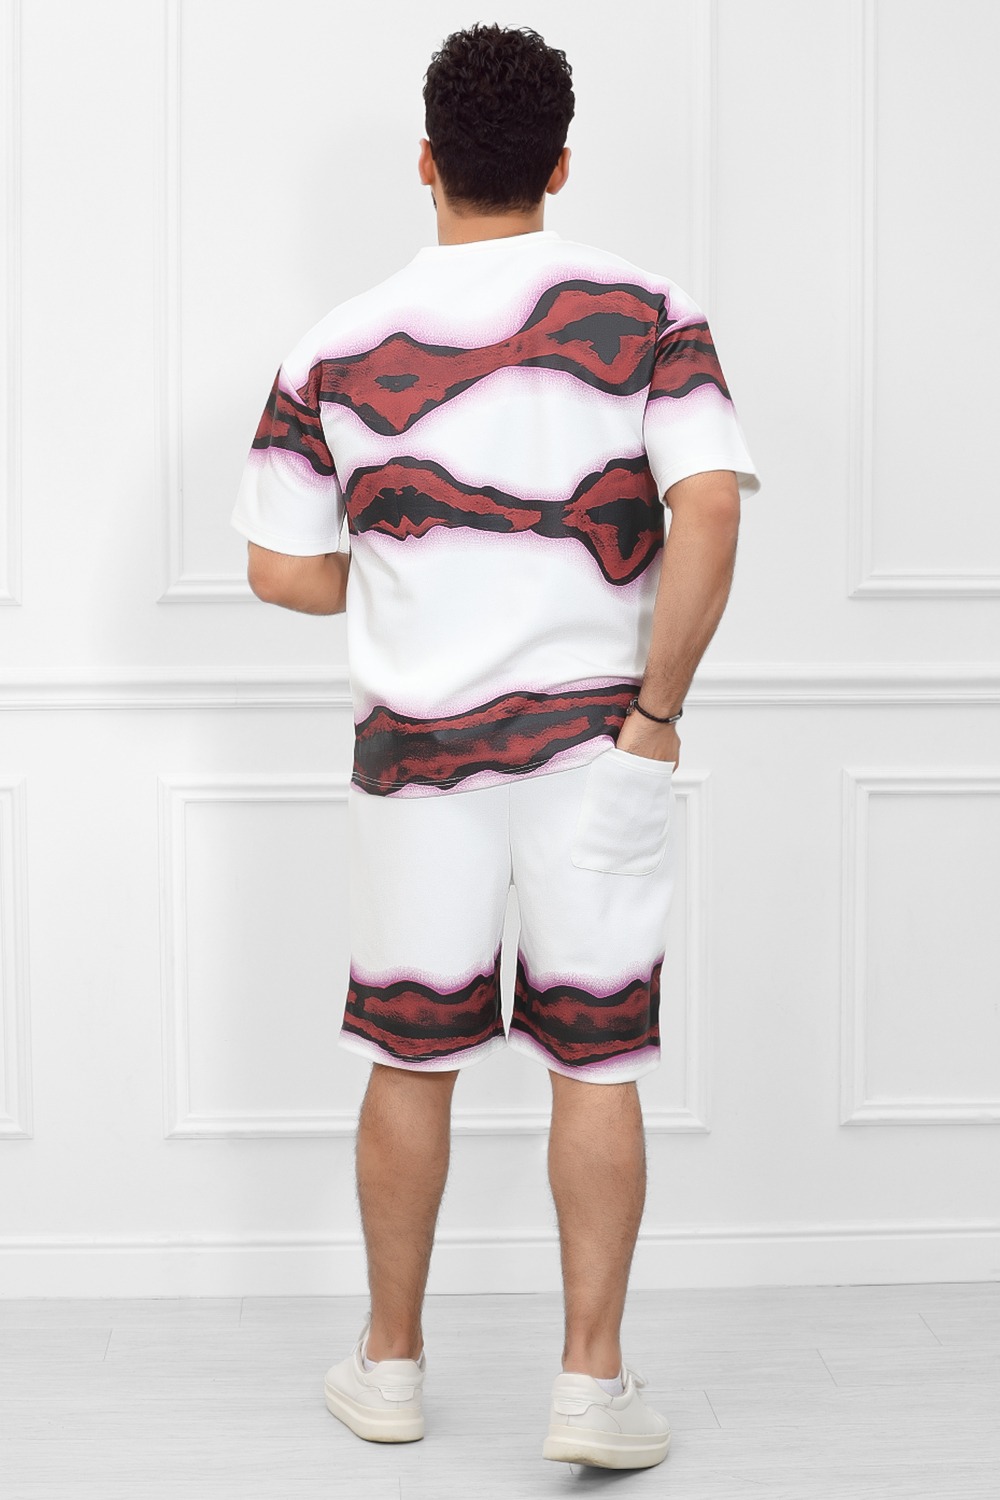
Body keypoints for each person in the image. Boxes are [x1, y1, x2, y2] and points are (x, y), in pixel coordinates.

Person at [231, 21, 759, 1472]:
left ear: (427, 161)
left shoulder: (332, 346)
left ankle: (390, 1368)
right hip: (604, 744)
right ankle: (591, 1384)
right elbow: (710, 509)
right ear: (560, 164)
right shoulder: (652, 312)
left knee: (411, 1057)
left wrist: (421, 566)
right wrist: (657, 714)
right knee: (598, 1061)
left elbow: (278, 568)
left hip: (414, 759)